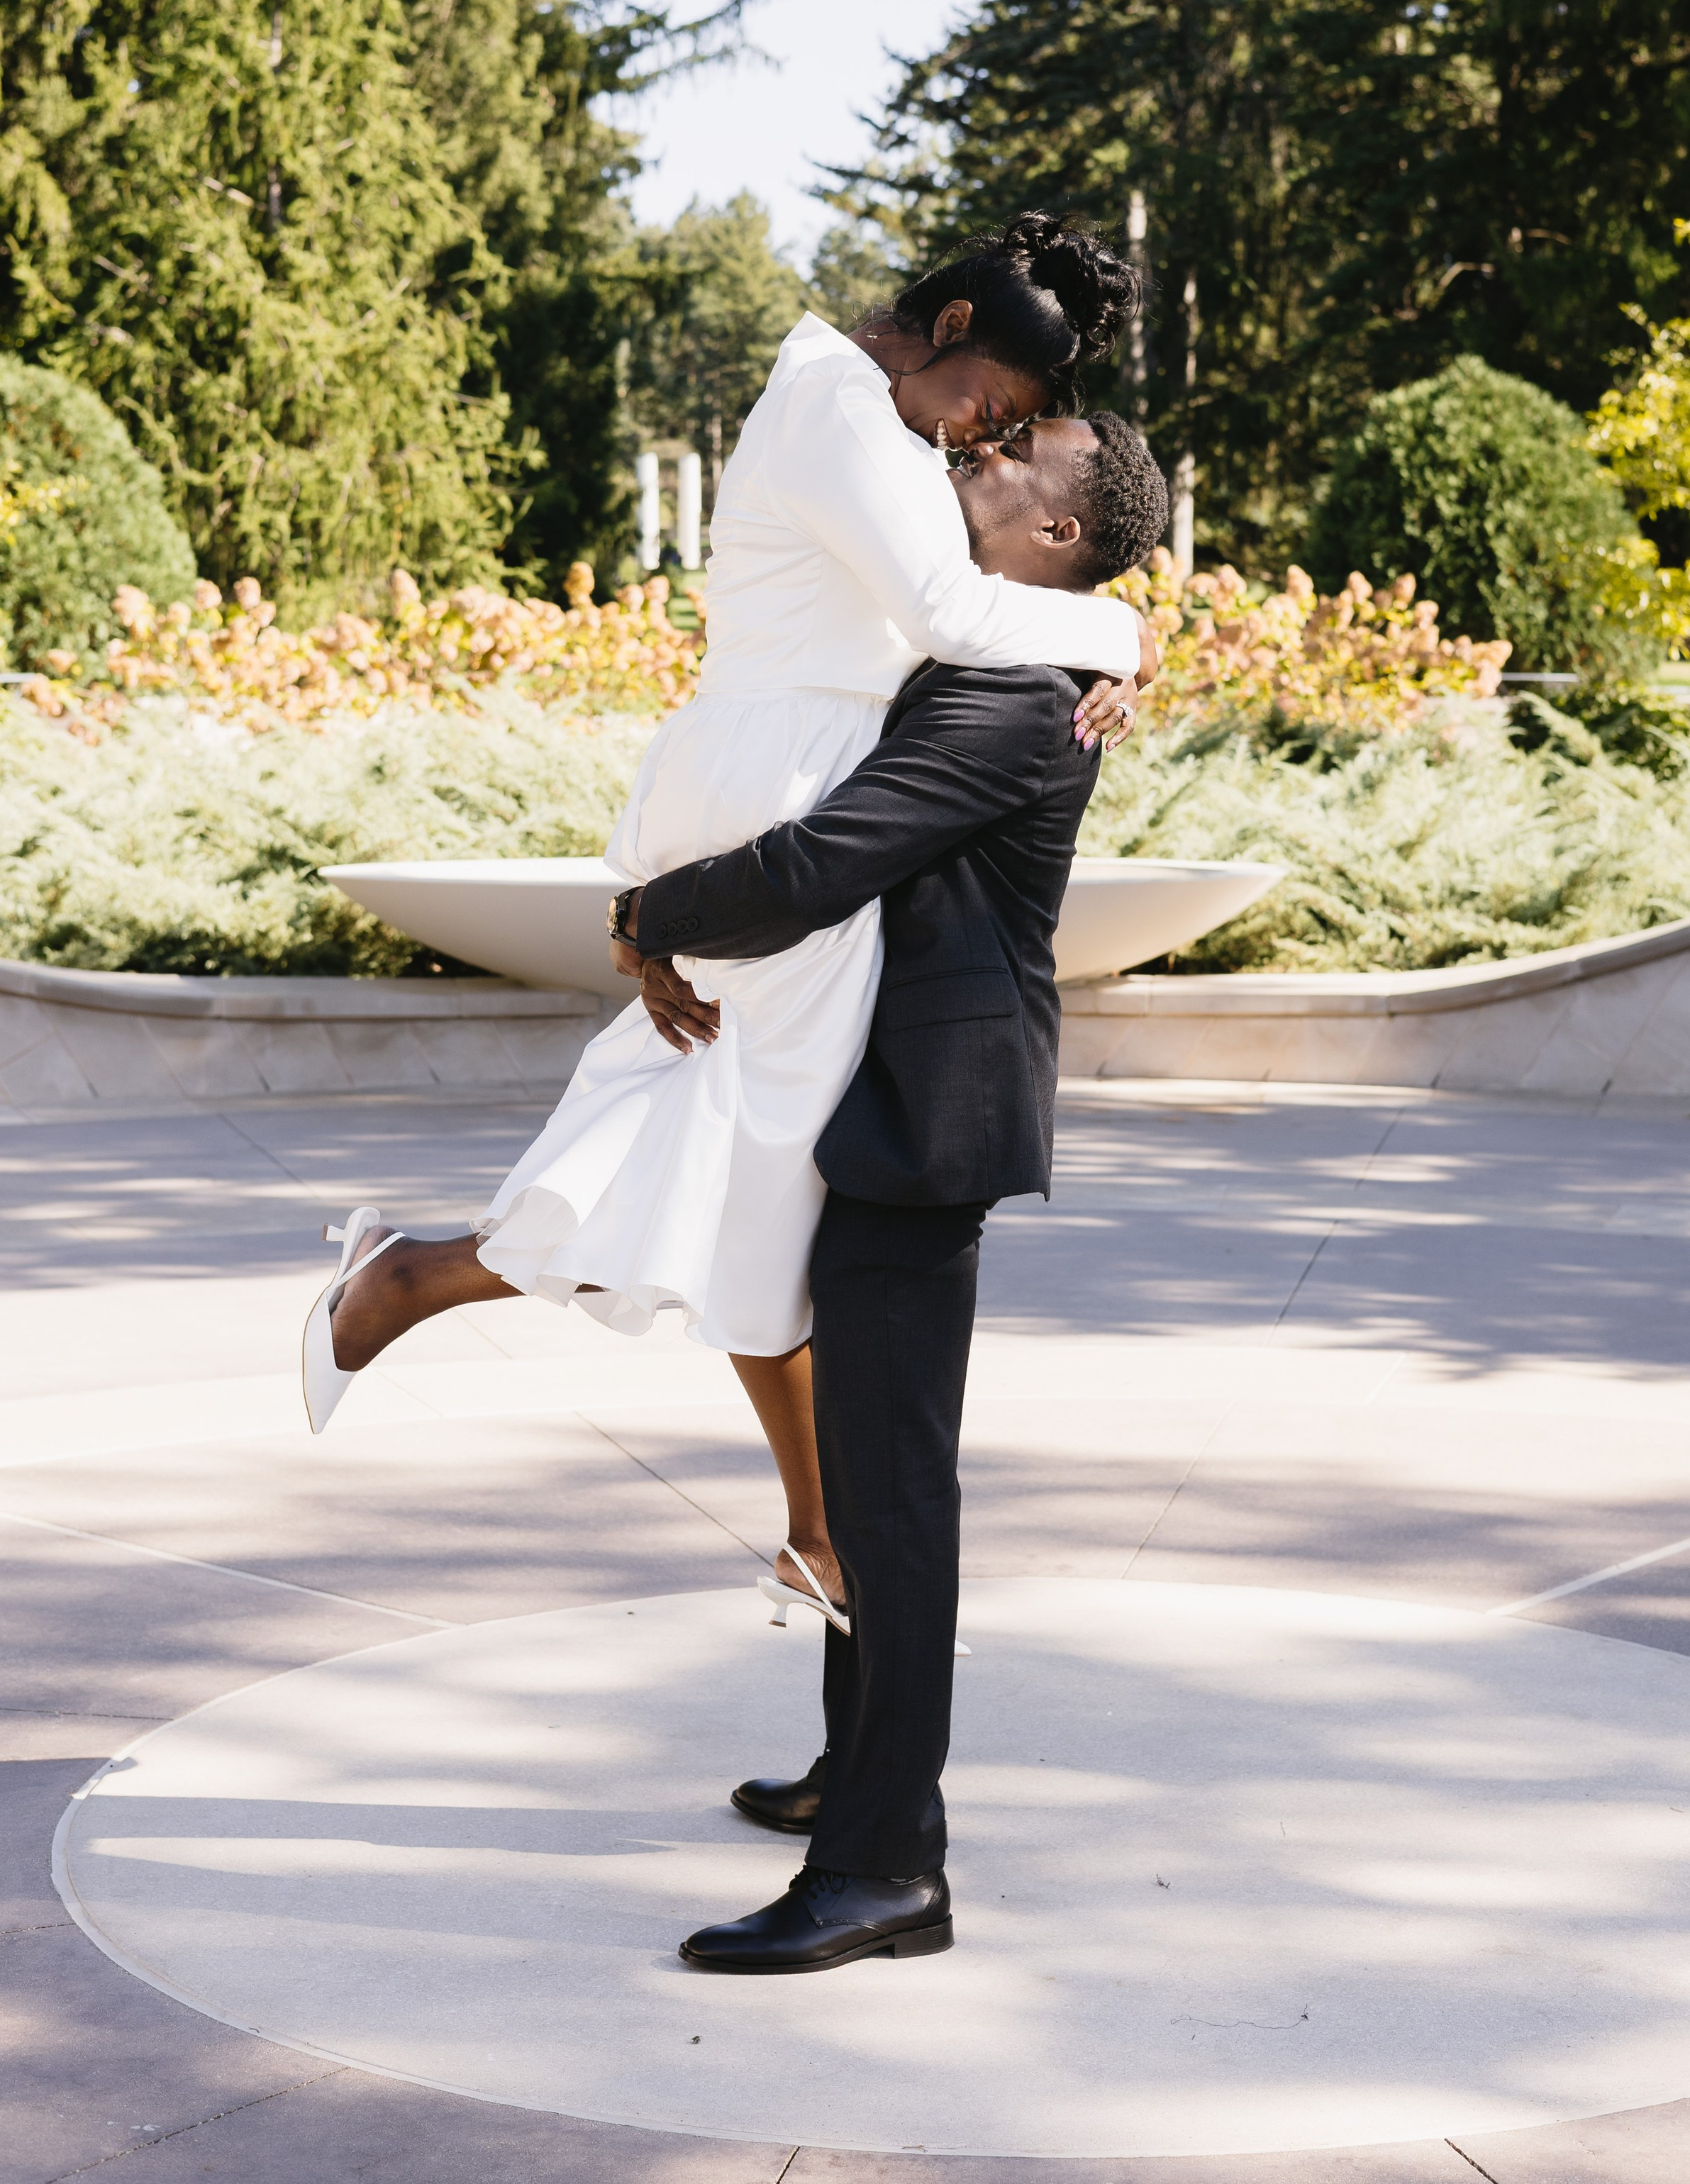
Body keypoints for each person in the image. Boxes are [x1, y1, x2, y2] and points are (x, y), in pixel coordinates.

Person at [301, 216, 1154, 1633]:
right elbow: (950, 611)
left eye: (1005, 433)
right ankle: (799, 1521)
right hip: (780, 805)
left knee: (724, 1156)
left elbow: (973, 596)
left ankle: (431, 1292)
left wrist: (1103, 615)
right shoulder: (832, 403)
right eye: (991, 408)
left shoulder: (874, 420)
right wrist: (1121, 633)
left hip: (762, 786)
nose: (982, 445)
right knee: (770, 1184)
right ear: (946, 328)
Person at [612, 408, 1171, 1972]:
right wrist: (1127, 633)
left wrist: (643, 909)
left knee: (896, 1499)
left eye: (1010, 463)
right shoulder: (1006, 648)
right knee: (867, 1485)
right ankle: (852, 1785)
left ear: (1052, 535)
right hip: (875, 1103)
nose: (971, 459)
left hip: (929, 1120)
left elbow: (818, 863)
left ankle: (887, 1867)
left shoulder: (1010, 701)